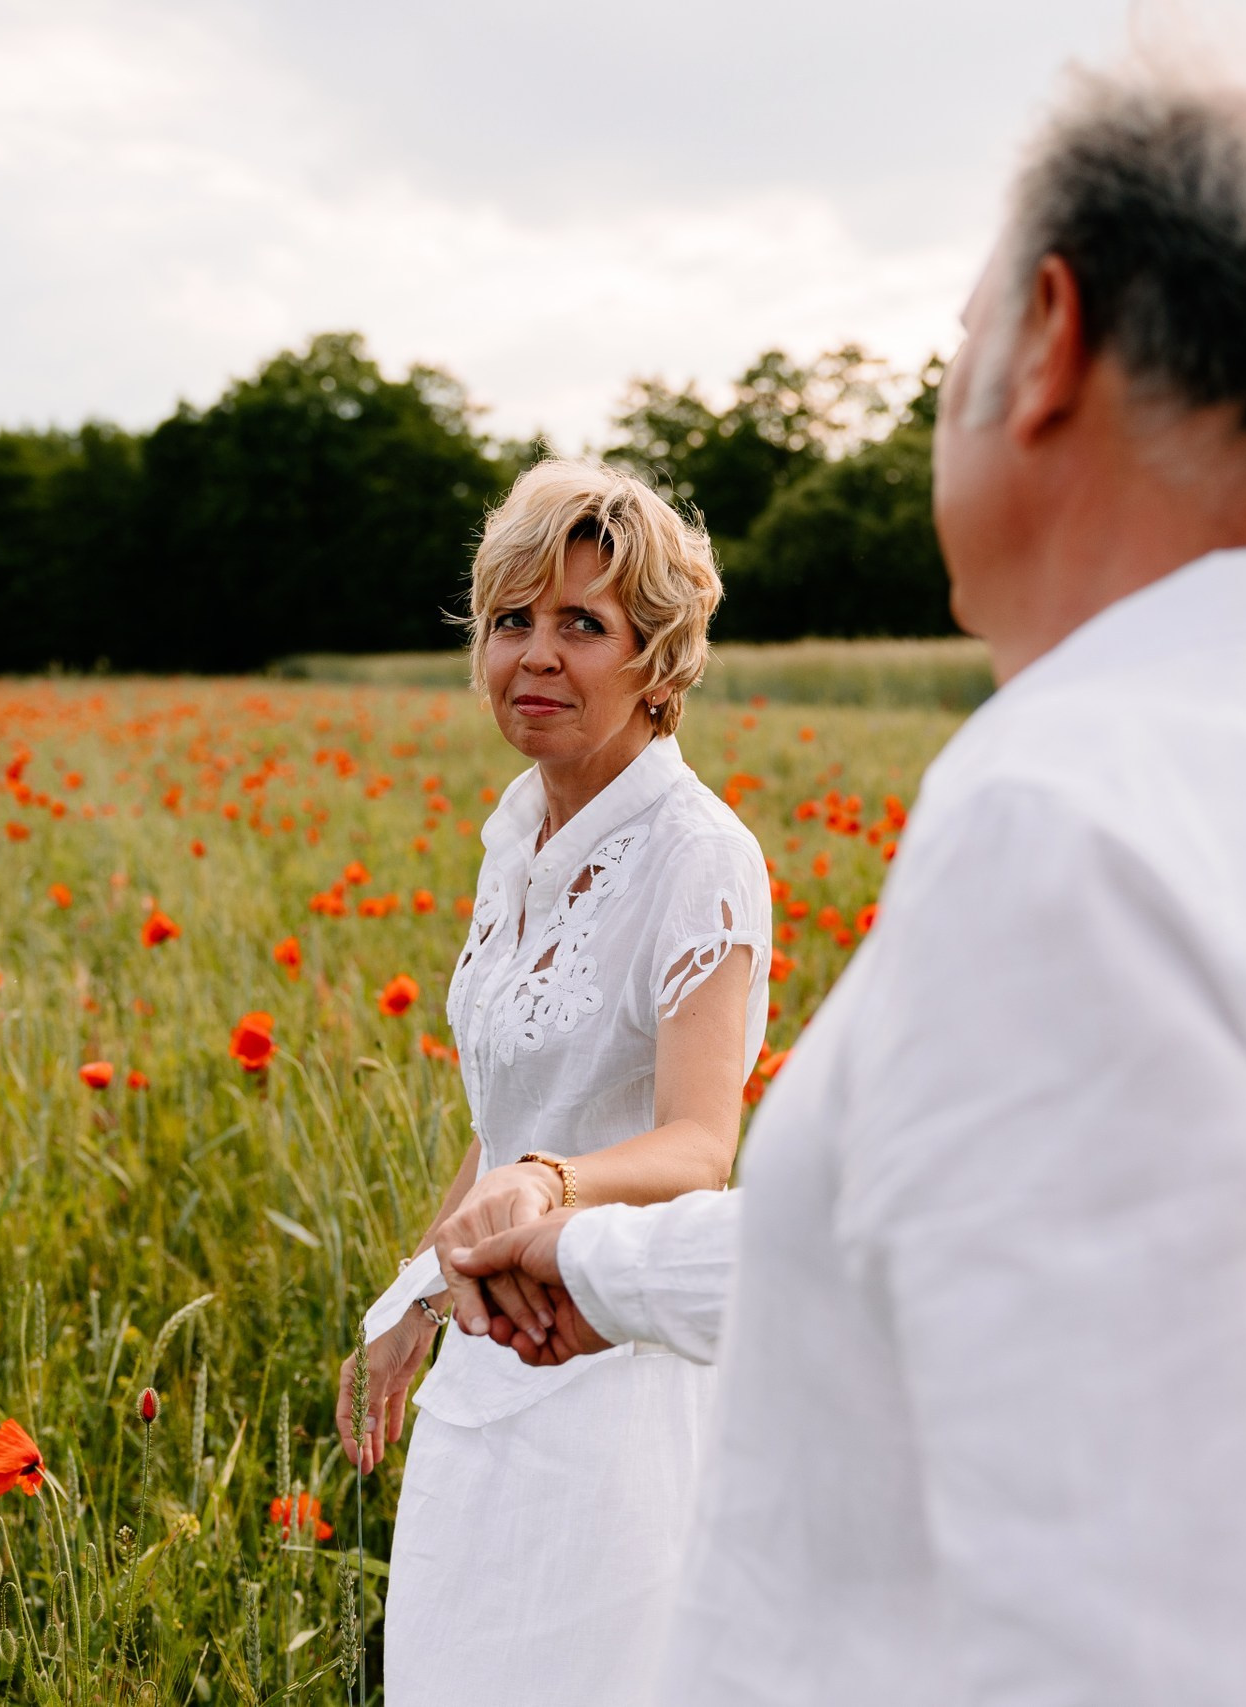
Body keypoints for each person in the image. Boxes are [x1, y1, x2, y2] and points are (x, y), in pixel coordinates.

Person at [445, 62, 1246, 1707]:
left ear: (1048, 340)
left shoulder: (1078, 829)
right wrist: (587, 1264)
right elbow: (956, 1240)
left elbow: (1125, 1636)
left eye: (962, 329)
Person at [337, 459, 771, 1707]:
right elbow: (505, 1122)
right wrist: (415, 1300)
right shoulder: (513, 831)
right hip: (487, 1360)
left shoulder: (700, 858)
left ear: (659, 663)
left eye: (583, 624)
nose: (535, 653)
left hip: (613, 1364)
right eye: (511, 620)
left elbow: (700, 1147)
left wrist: (552, 1183)